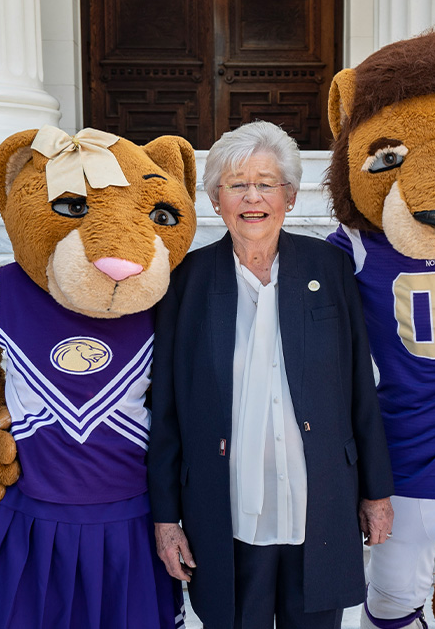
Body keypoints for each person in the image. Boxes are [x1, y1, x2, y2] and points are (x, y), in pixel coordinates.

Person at [148, 120, 395, 629]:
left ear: (290, 194)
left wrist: (376, 492)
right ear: (216, 200)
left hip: (319, 501)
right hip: (227, 506)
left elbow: (359, 391)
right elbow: (167, 408)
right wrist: (166, 518)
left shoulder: (328, 267)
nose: (252, 197)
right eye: (236, 184)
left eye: (266, 183)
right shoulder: (187, 282)